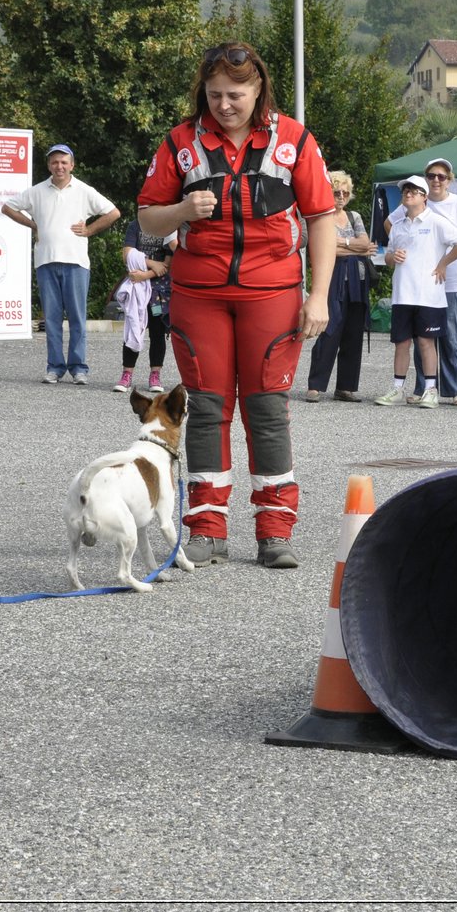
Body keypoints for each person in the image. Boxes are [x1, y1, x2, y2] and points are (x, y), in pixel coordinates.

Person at [136, 40, 336, 570]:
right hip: (199, 295)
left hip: (271, 294)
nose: (225, 104)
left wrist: (318, 295)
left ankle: (274, 531)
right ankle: (205, 528)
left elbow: (321, 219)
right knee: (205, 410)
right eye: (215, 93)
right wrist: (181, 208)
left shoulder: (293, 139)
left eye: (236, 94)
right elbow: (147, 218)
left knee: (267, 410)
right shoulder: (180, 141)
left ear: (258, 89)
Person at [2, 143, 121, 385]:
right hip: (46, 261)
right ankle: (55, 367)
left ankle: (78, 368)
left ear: (72, 165)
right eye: (55, 162)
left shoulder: (84, 190)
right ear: (49, 165)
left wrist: (89, 230)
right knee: (52, 319)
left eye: (64, 162)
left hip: (76, 262)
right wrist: (34, 225)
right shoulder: (37, 191)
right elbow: (7, 207)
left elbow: (113, 213)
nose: (59, 166)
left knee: (77, 317)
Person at [389, 157, 457, 406]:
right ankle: (423, 386)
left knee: (450, 336)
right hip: (418, 283)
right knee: (420, 336)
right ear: (425, 181)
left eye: (441, 176)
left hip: (451, 281)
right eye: (432, 176)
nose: (436, 180)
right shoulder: (411, 205)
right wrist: (400, 250)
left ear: (449, 180)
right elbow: (390, 225)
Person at [375, 175, 457, 408]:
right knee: (401, 343)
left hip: (429, 295)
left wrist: (443, 264)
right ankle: (397, 389)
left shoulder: (436, 222)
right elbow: (388, 257)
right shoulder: (397, 226)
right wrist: (391, 257)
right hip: (402, 294)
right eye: (406, 190)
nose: (408, 193)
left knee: (426, 343)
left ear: (424, 197)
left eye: (414, 191)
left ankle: (430, 390)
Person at [306, 169, 376, 402]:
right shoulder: (321, 217)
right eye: (336, 192)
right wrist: (351, 246)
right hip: (332, 276)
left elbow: (366, 245)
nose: (341, 197)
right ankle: (315, 385)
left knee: (354, 331)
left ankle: (345, 387)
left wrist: (340, 243)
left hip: (358, 278)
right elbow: (321, 249)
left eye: (345, 193)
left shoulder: (354, 216)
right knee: (329, 328)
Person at [111, 219, 176, 394]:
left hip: (159, 289)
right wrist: (152, 263)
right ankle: (126, 374)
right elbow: (127, 254)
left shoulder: (167, 225)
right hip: (137, 287)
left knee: (158, 333)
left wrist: (145, 274)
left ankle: (155, 375)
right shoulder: (135, 225)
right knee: (133, 328)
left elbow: (168, 263)